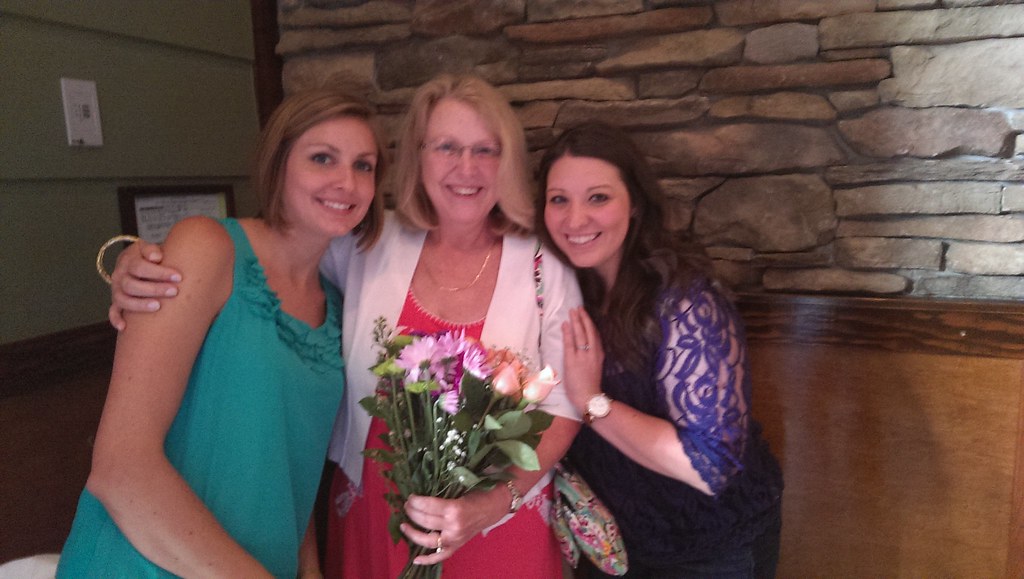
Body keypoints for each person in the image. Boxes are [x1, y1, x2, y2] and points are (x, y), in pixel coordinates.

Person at [105, 74, 582, 578]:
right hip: (373, 513)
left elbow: (565, 402)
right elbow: (273, 256)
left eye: (486, 150)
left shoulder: (543, 265)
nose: (467, 168)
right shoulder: (364, 243)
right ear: (418, 156)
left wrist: (490, 505)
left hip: (495, 526)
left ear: (507, 161)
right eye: (446, 147)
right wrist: (143, 264)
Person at [57, 88, 386, 578]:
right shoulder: (206, 247)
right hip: (141, 562)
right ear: (278, 166)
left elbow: (293, 478)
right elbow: (120, 468)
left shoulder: (338, 307)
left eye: (364, 166)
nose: (346, 181)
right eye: (322, 158)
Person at [537, 122, 784, 578]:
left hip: (707, 548)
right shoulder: (559, 288)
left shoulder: (684, 299)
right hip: (612, 544)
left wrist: (591, 401)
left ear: (634, 204)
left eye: (598, 197)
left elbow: (710, 465)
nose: (575, 220)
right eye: (559, 200)